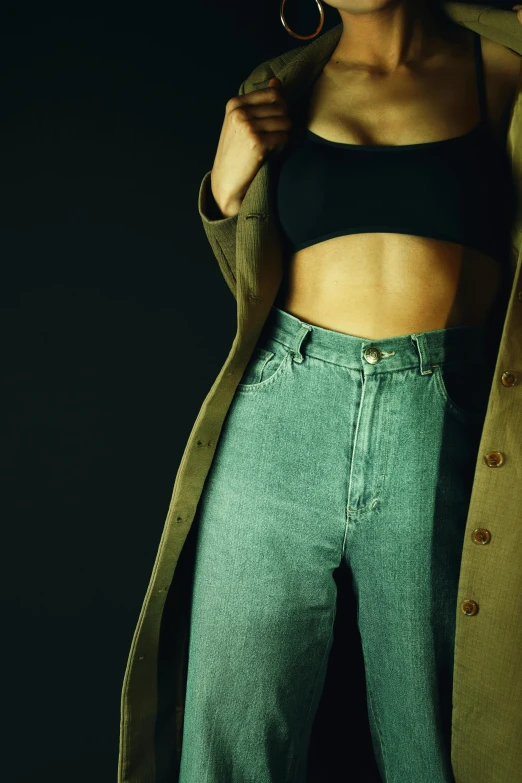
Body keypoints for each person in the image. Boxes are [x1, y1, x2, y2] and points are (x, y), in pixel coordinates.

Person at [117, 4, 522, 783]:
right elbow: (248, 279)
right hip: (282, 407)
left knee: (439, 734)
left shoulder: (499, 68)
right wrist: (225, 186)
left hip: (437, 417)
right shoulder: (276, 89)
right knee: (231, 728)